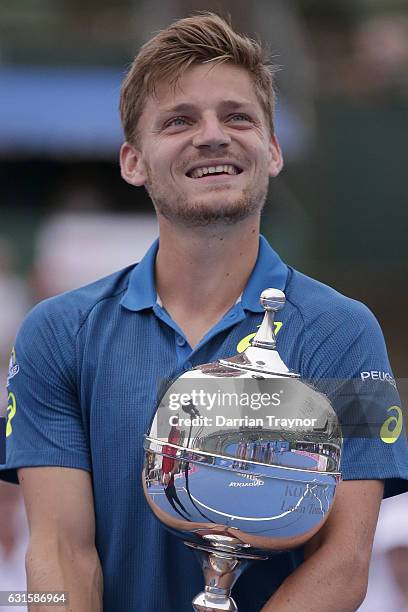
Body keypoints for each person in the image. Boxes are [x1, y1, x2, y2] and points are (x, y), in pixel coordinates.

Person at [1, 12, 407, 612]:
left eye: (237, 116)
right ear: (132, 162)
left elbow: (344, 563)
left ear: (272, 150)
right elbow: (60, 554)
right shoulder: (55, 334)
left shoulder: (350, 334)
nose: (212, 135)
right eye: (178, 121)